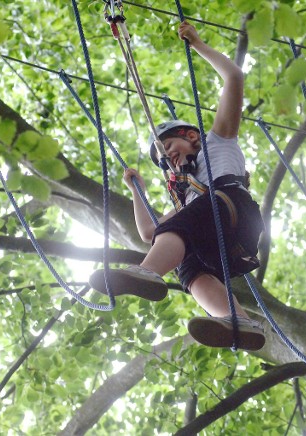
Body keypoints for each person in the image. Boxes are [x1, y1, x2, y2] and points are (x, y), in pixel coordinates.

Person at [89, 21, 265, 351]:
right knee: (187, 268)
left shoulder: (218, 142)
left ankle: (147, 273)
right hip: (224, 243)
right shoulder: (187, 196)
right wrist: (136, 192)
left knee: (190, 218)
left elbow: (234, 78)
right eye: (162, 158)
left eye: (168, 147)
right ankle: (241, 324)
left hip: (234, 208)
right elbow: (150, 232)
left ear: (190, 136)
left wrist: (198, 44)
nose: (167, 158)